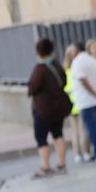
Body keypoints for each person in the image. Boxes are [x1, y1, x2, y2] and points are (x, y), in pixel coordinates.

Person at [26, 38, 71, 177]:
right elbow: (64, 81)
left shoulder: (39, 69)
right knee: (58, 134)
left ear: (38, 52)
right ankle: (61, 164)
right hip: (59, 107)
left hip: (43, 109)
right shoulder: (57, 65)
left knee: (41, 138)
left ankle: (46, 166)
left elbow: (32, 87)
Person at [70, 37, 96, 163]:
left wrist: (94, 93)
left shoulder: (77, 62)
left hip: (86, 101)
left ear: (75, 50)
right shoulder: (93, 60)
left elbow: (83, 80)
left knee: (93, 129)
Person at [63, 43, 91, 163]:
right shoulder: (77, 68)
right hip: (80, 102)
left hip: (70, 104)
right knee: (82, 129)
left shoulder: (65, 70)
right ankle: (86, 152)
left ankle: (77, 154)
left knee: (74, 131)